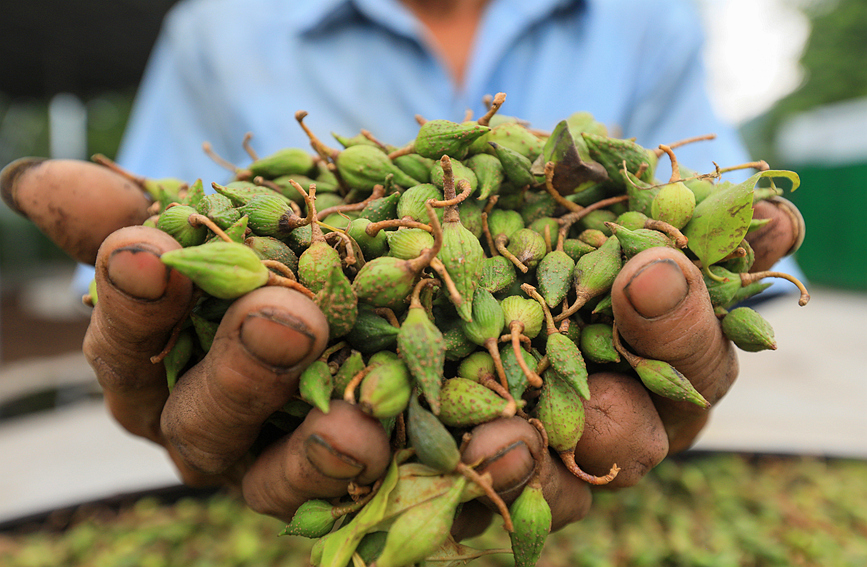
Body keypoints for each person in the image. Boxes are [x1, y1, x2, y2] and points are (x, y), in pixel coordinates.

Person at [3, 0, 804, 541]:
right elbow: (141, 277)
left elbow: (711, 253)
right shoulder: (218, 26)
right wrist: (151, 345)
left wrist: (686, 341)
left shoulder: (645, 18)